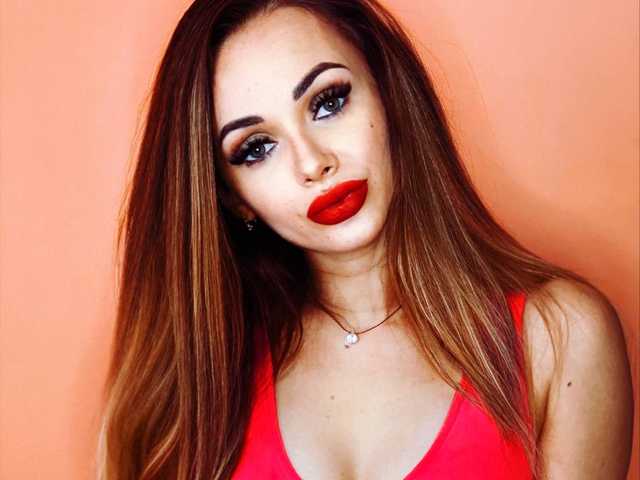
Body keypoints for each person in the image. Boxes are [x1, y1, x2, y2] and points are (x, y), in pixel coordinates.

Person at [96, 1, 634, 479]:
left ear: (387, 93)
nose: (313, 163)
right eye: (257, 148)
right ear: (233, 198)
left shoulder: (560, 336)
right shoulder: (185, 393)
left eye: (328, 102)